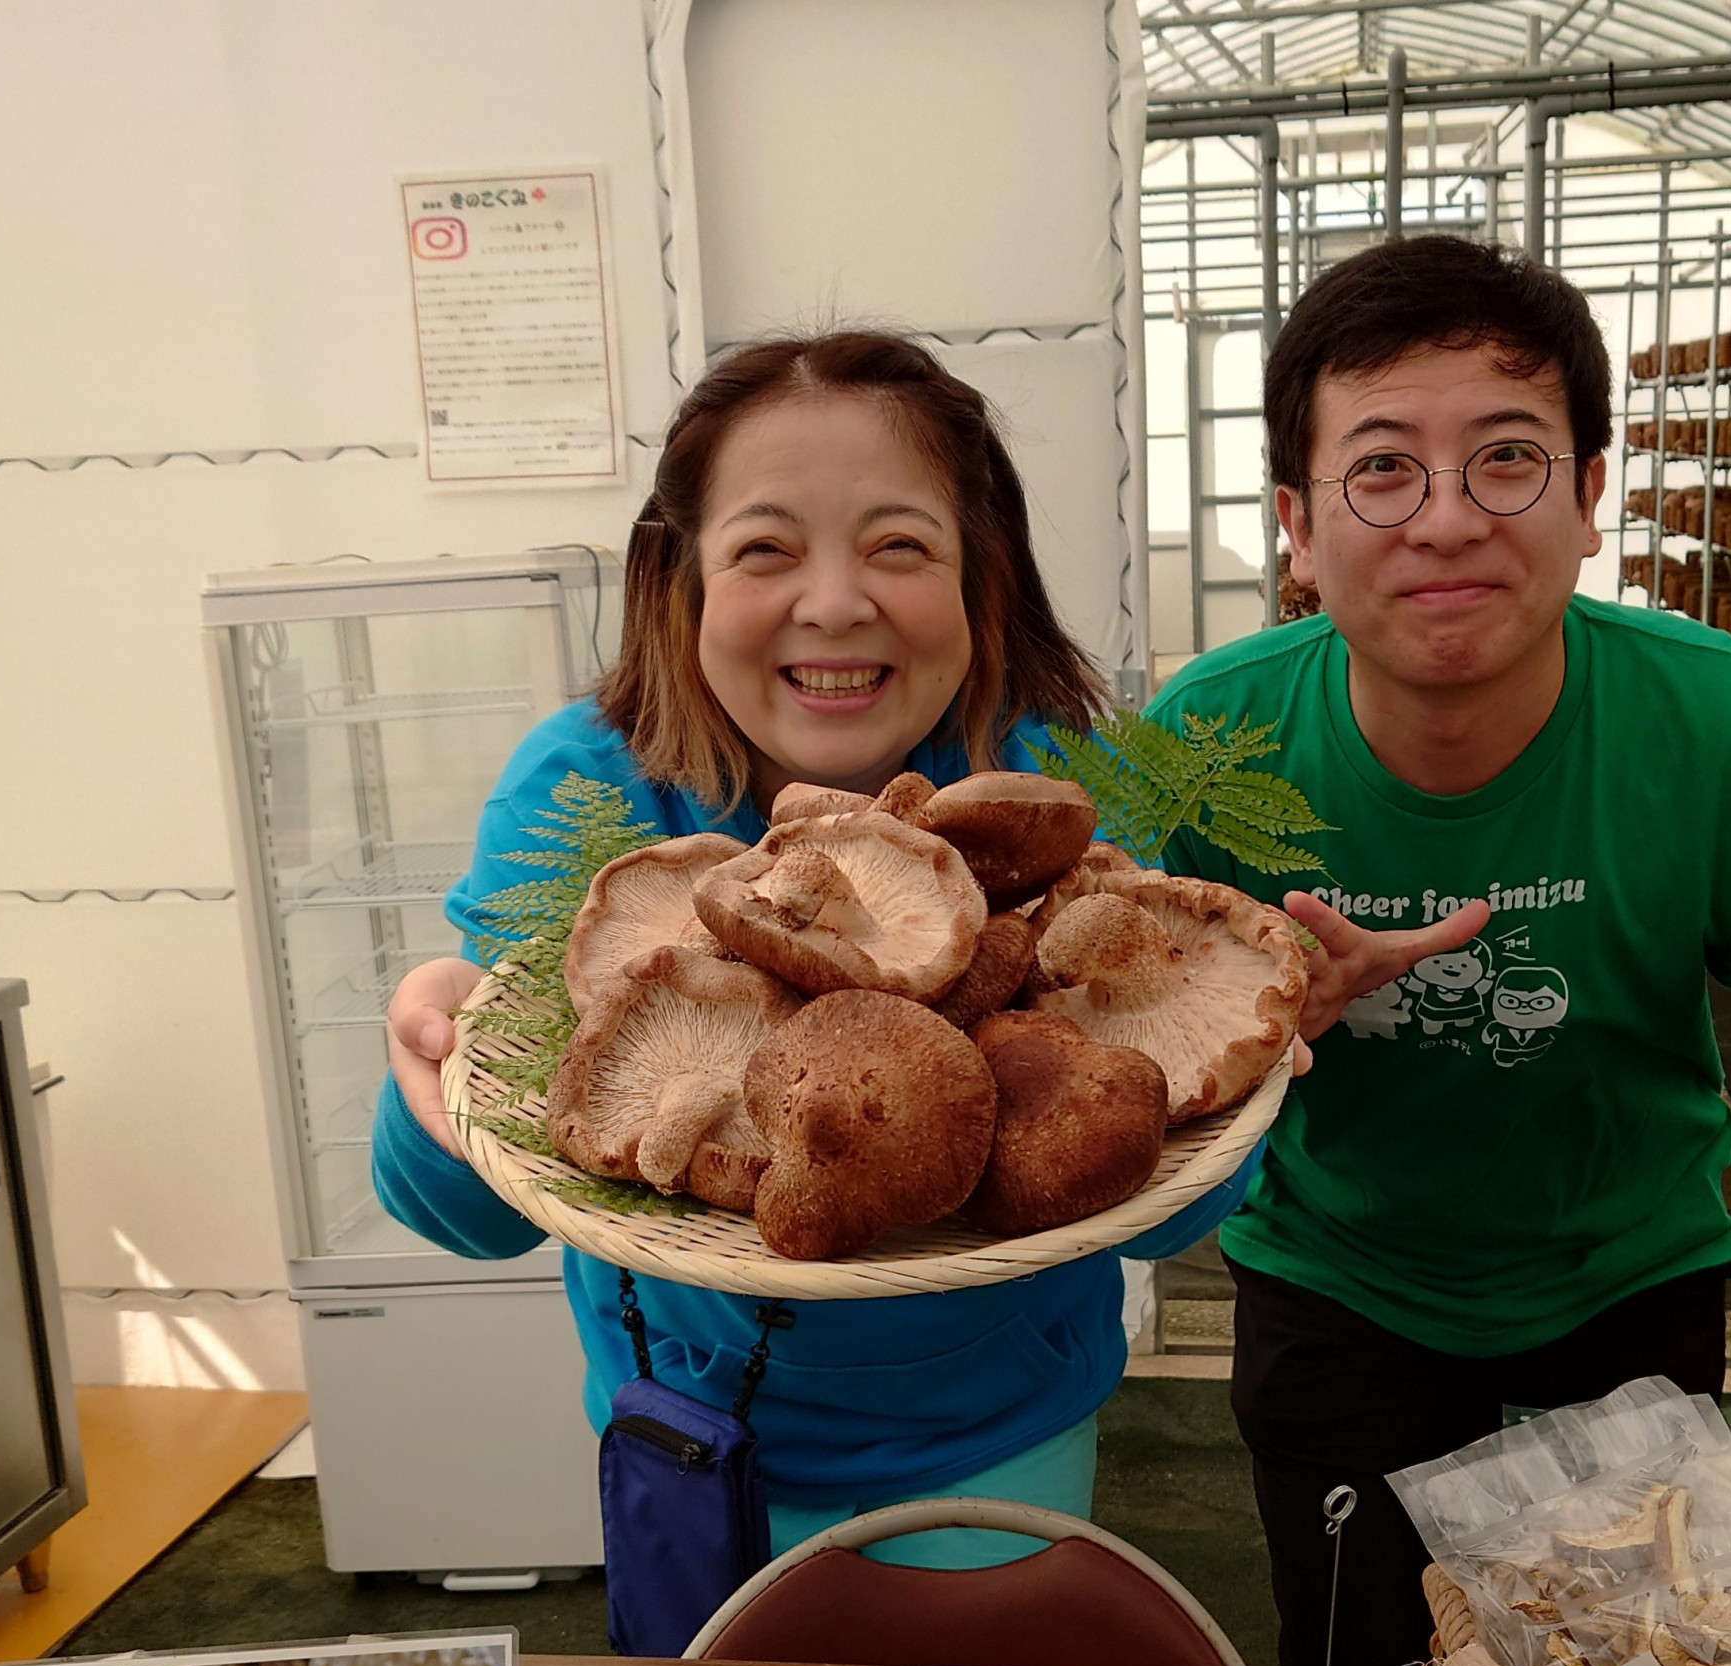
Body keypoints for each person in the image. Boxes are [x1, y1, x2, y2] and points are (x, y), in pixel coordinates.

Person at [1151, 236, 1731, 1666]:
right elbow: (1099, 1044)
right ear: (1296, 521)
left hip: (1625, 1293)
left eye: (1510, 461)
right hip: (1339, 1291)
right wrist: (1256, 1025)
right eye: (1384, 470)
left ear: (1593, 497)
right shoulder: (1197, 738)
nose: (1448, 520)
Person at [377, 330, 1251, 1589]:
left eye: (901, 545)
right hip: (691, 1446)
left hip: (1000, 1437)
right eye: (765, 548)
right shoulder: (590, 791)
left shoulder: (1050, 793)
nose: (835, 601)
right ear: (676, 579)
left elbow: (1180, 1196)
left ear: (981, 577)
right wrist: (437, 1057)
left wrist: (1231, 1068)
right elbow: (461, 1213)